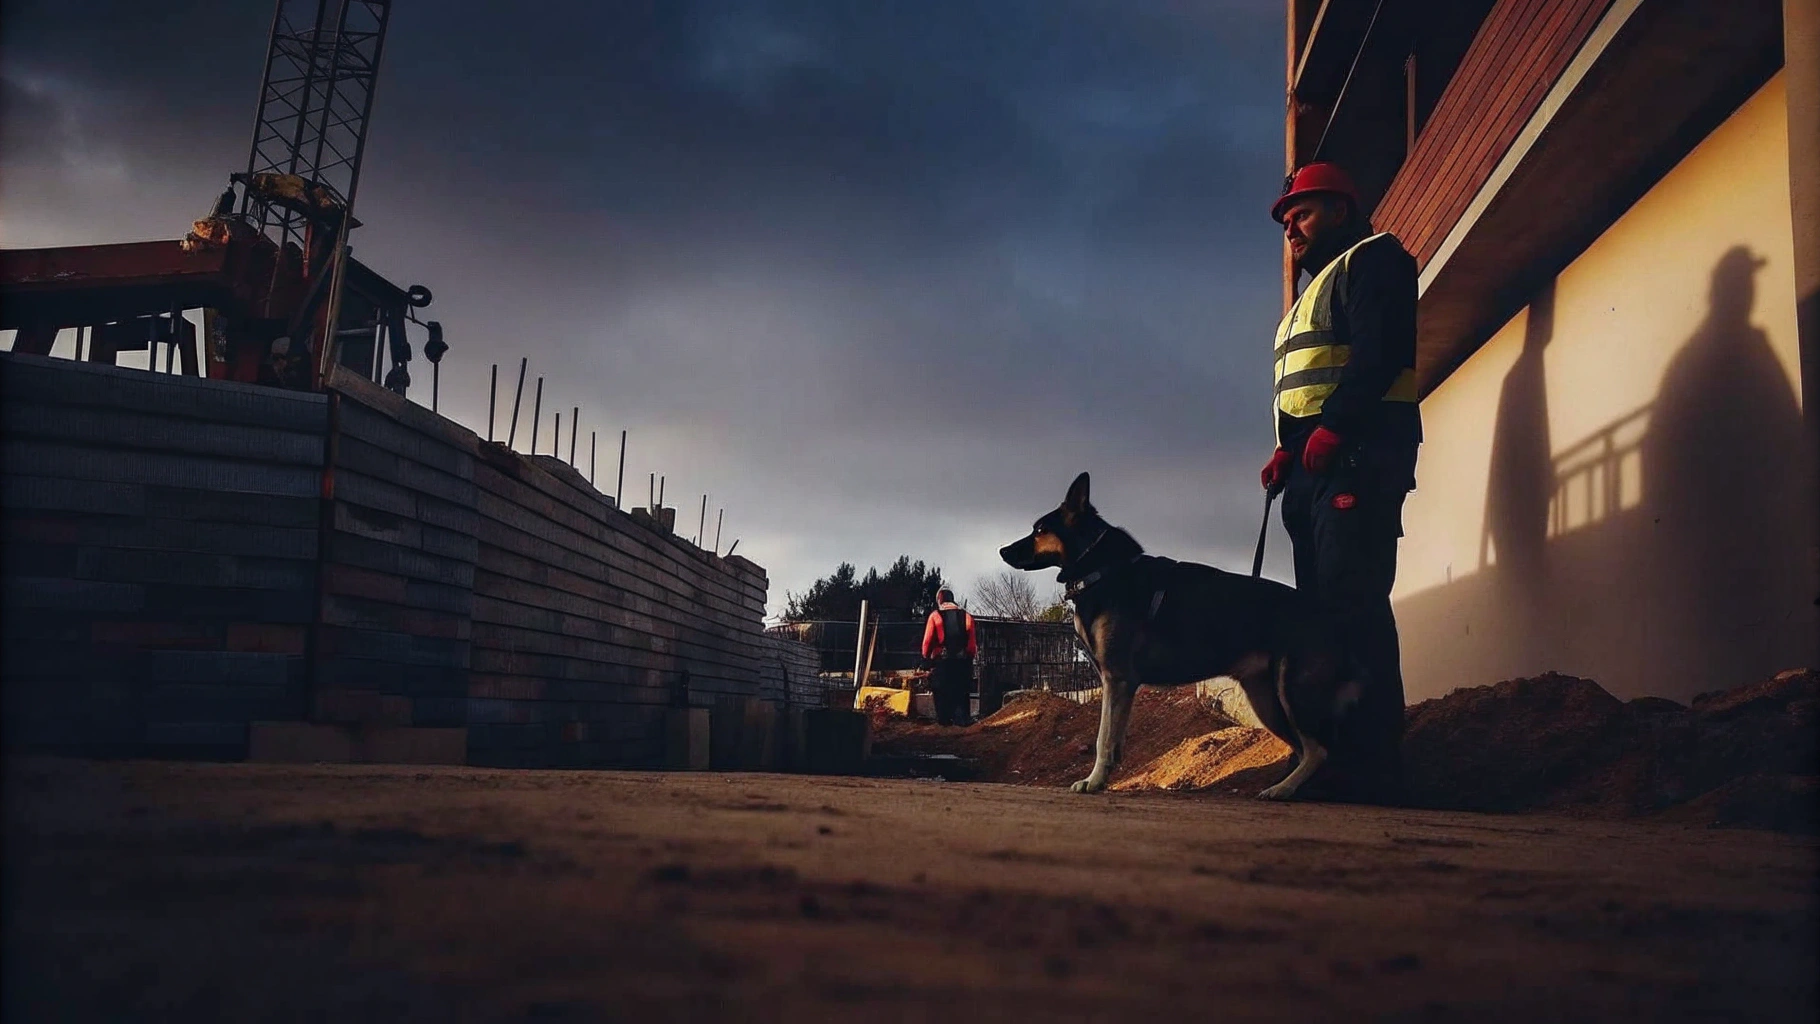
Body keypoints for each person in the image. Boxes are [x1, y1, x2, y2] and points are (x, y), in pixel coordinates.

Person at [1261, 162, 1422, 803]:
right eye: (1286, 219)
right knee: (1321, 617)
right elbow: (1309, 383)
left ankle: (1373, 765)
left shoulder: (1376, 260)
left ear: (1341, 210)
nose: (1291, 228)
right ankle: (1331, 758)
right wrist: (1287, 449)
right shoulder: (1313, 294)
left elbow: (1377, 354)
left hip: (1357, 458)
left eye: (1301, 212)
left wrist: (1336, 428)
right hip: (1316, 468)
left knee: (1352, 607)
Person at [920, 588, 978, 727]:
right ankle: (962, 720)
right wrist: (969, 657)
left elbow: (927, 642)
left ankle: (944, 722)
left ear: (939, 600)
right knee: (961, 692)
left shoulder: (935, 616)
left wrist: (926, 658)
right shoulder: (967, 616)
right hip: (962, 663)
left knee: (941, 692)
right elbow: (972, 645)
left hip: (942, 663)